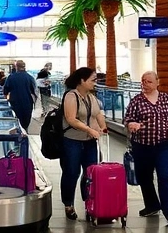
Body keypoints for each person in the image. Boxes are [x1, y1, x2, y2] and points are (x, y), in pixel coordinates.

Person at [124, 71, 168, 229]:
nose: (145, 84)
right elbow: (128, 118)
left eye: (149, 81)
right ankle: (152, 205)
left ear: (157, 82)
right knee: (144, 177)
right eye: (143, 81)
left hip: (164, 144)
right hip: (142, 145)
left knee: (165, 177)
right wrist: (131, 125)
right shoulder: (137, 101)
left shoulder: (165, 99)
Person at [60, 66, 106, 221]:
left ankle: (89, 203)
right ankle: (68, 204)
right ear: (82, 80)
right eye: (92, 80)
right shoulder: (71, 96)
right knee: (71, 172)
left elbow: (97, 113)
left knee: (90, 173)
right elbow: (71, 119)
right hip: (72, 141)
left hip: (89, 142)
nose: (95, 82)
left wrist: (103, 127)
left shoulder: (91, 97)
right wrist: (89, 129)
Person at [3, 61, 36, 131]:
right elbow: (34, 91)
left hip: (15, 103)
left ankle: (17, 137)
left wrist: (6, 98)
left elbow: (5, 90)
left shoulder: (11, 77)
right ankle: (25, 135)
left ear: (16, 67)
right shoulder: (30, 77)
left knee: (16, 122)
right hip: (27, 103)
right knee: (25, 123)